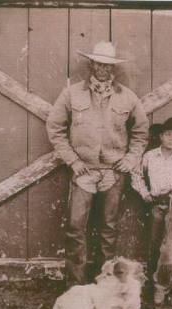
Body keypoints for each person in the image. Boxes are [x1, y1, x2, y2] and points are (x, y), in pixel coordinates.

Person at [46, 41, 149, 286]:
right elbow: (55, 128)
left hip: (113, 173)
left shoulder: (128, 97)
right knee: (75, 228)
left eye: (107, 65)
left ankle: (105, 285)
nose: (102, 69)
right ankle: (76, 286)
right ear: (91, 64)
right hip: (83, 171)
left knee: (108, 229)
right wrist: (72, 160)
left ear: (113, 69)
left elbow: (141, 132)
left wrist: (130, 158)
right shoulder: (72, 94)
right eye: (98, 63)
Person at [131, 117, 172, 304]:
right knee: (153, 244)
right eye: (167, 134)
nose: (171, 138)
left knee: (169, 247)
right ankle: (151, 282)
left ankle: (162, 286)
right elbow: (136, 175)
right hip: (155, 205)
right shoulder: (149, 157)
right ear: (161, 136)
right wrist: (144, 193)